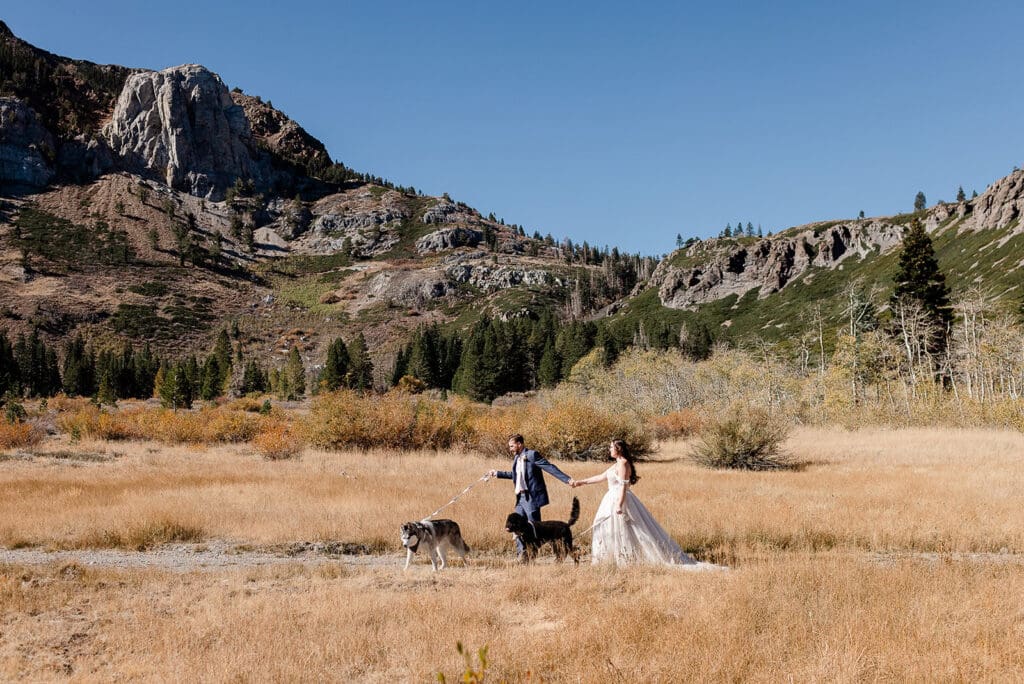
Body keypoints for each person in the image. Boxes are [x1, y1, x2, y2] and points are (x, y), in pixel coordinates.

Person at [573, 439, 716, 568]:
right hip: (611, 498)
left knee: (628, 529)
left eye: (611, 447)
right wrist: (581, 482)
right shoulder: (616, 464)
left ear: (619, 449)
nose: (609, 450)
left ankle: (627, 559)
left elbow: (623, 485)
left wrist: (619, 505)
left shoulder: (623, 464)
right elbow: (601, 477)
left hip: (619, 499)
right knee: (610, 529)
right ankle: (611, 559)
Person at [488, 434, 575, 558]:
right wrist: (497, 473)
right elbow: (516, 475)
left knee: (534, 529)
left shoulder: (532, 455)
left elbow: (549, 467)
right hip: (520, 499)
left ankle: (532, 556)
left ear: (519, 444)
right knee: (517, 528)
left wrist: (567, 480)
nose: (510, 449)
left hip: (531, 498)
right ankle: (521, 556)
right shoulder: (516, 458)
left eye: (512, 446)